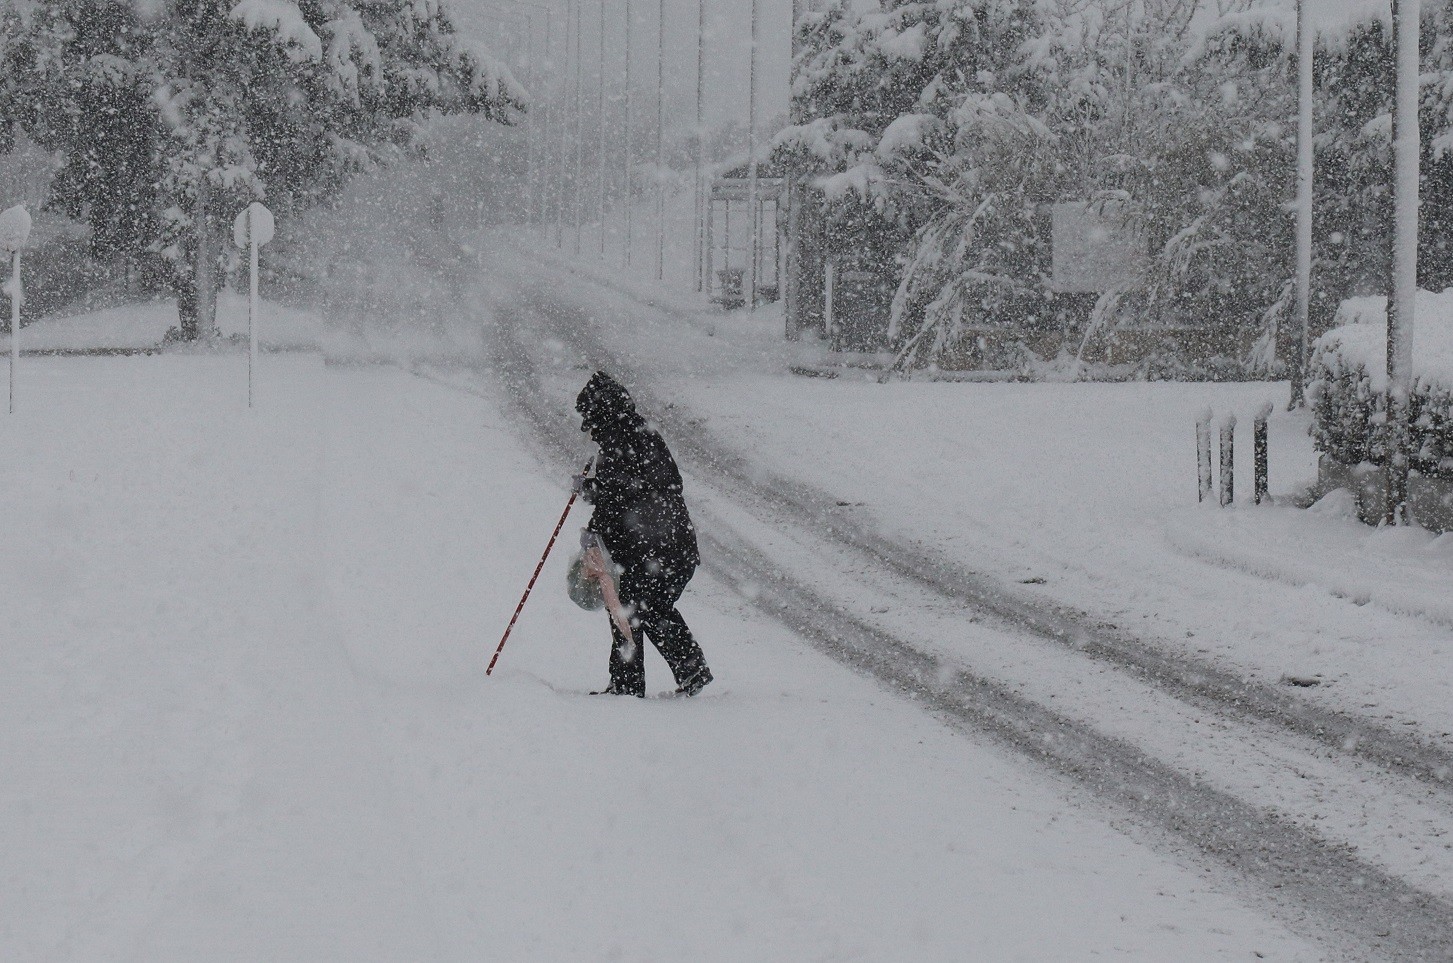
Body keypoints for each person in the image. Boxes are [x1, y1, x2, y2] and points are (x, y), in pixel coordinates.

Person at [573, 371, 712, 697]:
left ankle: (665, 678)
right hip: (662, 546)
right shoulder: (632, 436)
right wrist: (593, 491)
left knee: (638, 605)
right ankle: (643, 680)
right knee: (633, 605)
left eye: (591, 422)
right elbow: (629, 493)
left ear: (602, 414)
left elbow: (627, 499)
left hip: (661, 549)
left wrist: (595, 530)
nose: (590, 433)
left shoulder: (625, 441)